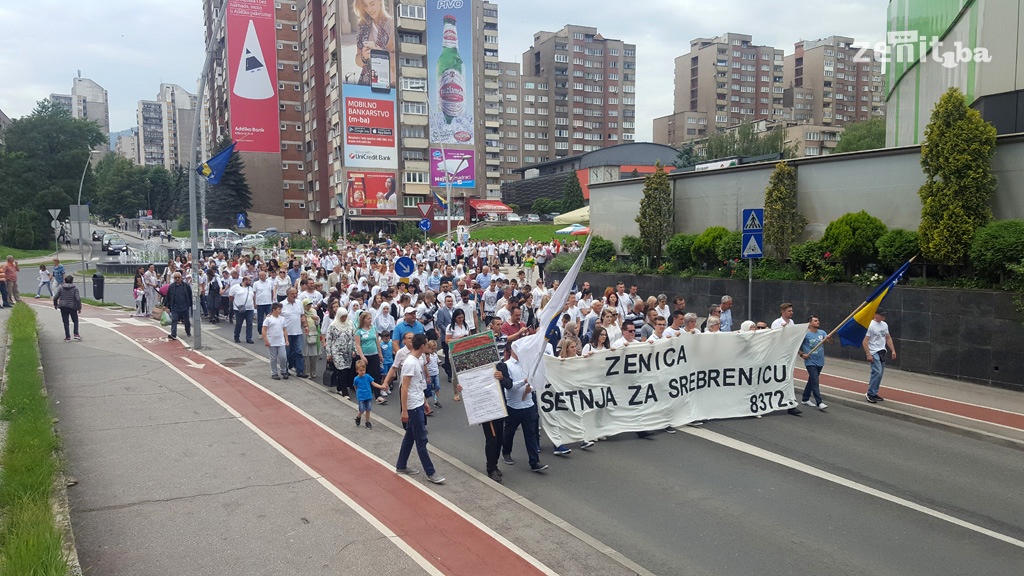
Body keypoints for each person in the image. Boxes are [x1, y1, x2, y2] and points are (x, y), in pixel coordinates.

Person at [395, 334, 445, 484]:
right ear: (422, 346)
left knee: (410, 436)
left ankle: (401, 464)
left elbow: (417, 385)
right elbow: (405, 387)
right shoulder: (411, 363)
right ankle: (430, 472)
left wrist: (424, 401)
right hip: (412, 406)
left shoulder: (415, 360)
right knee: (421, 440)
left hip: (417, 403)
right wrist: (404, 410)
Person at [499, 348, 549, 473]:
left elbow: (535, 381)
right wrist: (523, 382)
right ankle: (506, 452)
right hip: (513, 406)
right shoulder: (506, 366)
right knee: (509, 432)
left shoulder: (528, 364)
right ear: (512, 350)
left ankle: (534, 462)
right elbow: (510, 387)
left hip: (528, 405)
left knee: (531, 434)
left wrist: (530, 388)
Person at [353, 0, 395, 87]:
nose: (369, 9)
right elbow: (357, 60)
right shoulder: (362, 26)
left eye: (372, 4)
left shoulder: (393, 24)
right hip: (366, 84)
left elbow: (400, 60)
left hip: (388, 84)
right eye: (365, 5)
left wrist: (379, 54)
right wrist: (364, 56)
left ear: (380, 1)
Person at [863, 309, 896, 403]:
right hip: (873, 351)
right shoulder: (870, 326)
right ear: (875, 315)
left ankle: (874, 393)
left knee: (880, 374)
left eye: (884, 315)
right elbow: (865, 341)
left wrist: (893, 350)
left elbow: (888, 337)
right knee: (877, 372)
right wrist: (868, 354)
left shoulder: (884, 325)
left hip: (882, 351)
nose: (883, 317)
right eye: (881, 315)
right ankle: (870, 393)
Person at [799, 315, 830, 410]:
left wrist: (829, 338)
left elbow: (830, 342)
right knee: (815, 381)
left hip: (820, 361)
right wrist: (802, 354)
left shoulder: (822, 332)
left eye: (818, 320)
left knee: (811, 380)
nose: (818, 322)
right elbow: (797, 346)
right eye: (815, 321)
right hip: (810, 362)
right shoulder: (805, 334)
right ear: (810, 323)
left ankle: (805, 398)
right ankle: (819, 402)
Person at [325, 307, 356, 397]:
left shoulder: (350, 324)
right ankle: (344, 392)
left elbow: (354, 338)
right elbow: (329, 340)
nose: (344, 318)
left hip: (348, 351)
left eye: (345, 316)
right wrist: (328, 353)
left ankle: (339, 387)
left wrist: (355, 350)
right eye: (342, 317)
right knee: (341, 370)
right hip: (337, 352)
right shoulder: (333, 326)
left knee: (346, 370)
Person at [353, 359, 386, 429]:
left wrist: (381, 386)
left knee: (368, 409)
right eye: (360, 370)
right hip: (361, 397)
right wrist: (357, 393)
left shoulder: (367, 377)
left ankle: (367, 421)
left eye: (363, 370)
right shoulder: (356, 379)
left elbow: (373, 383)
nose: (362, 372)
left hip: (368, 396)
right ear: (357, 371)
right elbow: (355, 386)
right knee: (361, 409)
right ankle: (358, 416)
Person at [282, 289, 306, 376]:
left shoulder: (299, 303)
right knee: (287, 353)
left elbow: (302, 315)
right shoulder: (282, 304)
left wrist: (305, 324)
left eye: (295, 294)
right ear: (287, 294)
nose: (294, 295)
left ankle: (300, 371)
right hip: (287, 333)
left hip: (298, 332)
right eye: (292, 294)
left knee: (299, 351)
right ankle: (285, 370)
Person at [263, 302, 289, 380]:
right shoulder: (268, 319)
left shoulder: (282, 319)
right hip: (272, 342)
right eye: (278, 309)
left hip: (281, 342)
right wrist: (266, 340)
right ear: (274, 310)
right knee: (273, 359)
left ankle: (283, 370)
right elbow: (264, 330)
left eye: (280, 309)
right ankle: (274, 372)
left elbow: (284, 330)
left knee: (283, 357)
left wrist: (286, 340)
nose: (280, 311)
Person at [165, 272, 193, 340]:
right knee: (174, 320)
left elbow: (190, 295)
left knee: (186, 321)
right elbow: (168, 296)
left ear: (181, 278)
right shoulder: (171, 287)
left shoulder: (186, 286)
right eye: (175, 278)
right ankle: (173, 334)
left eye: (178, 277)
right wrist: (165, 305)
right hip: (175, 307)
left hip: (185, 306)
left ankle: (188, 332)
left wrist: (190, 305)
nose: (177, 279)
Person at [54, 274, 82, 341]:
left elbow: (55, 297)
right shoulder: (75, 288)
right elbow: (78, 299)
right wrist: (79, 307)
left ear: (65, 281)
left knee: (65, 321)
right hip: (72, 306)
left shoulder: (61, 287)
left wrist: (56, 305)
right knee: (75, 320)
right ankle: (76, 334)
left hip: (63, 306)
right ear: (72, 281)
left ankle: (67, 336)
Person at [230, 276, 256, 344]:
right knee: (239, 323)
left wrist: (254, 304)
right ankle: (236, 337)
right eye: (249, 280)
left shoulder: (250, 288)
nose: (250, 282)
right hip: (239, 309)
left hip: (249, 308)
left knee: (249, 323)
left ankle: (249, 338)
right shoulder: (236, 287)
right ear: (245, 280)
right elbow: (230, 297)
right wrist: (236, 304)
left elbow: (253, 297)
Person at [303, 299, 323, 379]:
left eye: (310, 305)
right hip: (305, 334)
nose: (309, 306)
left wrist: (316, 319)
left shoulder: (313, 311)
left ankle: (313, 371)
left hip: (314, 334)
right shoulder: (302, 312)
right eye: (307, 305)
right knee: (306, 355)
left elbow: (318, 323)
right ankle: (306, 371)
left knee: (314, 354)